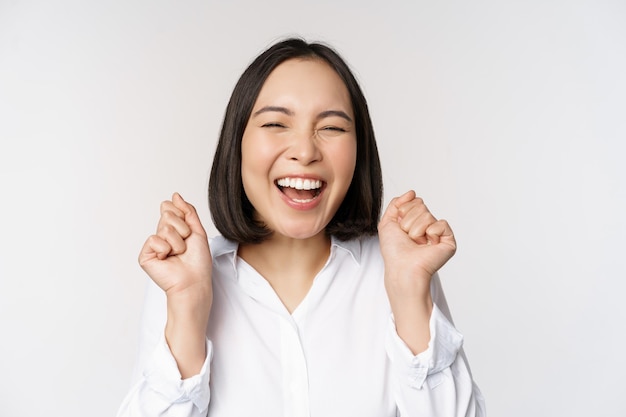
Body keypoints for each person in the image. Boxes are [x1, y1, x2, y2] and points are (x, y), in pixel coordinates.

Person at [117, 37, 486, 417]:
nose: (305, 151)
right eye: (276, 123)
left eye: (332, 128)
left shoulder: (399, 269)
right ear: (237, 142)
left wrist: (411, 294)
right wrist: (188, 310)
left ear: (358, 152)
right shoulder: (182, 278)